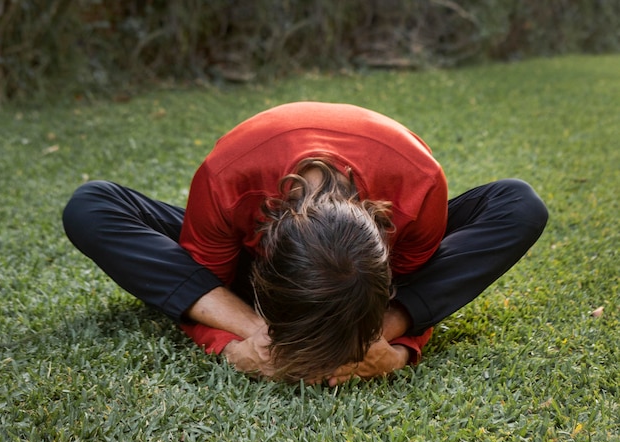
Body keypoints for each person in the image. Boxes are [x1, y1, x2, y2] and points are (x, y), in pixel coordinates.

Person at [62, 102, 548, 385]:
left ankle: (369, 324)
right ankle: (268, 321)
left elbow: (420, 281)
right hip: (241, 245)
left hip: (376, 254)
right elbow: (205, 279)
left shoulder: (418, 181)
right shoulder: (229, 173)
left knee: (519, 204)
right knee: (91, 206)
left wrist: (391, 346)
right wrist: (241, 341)